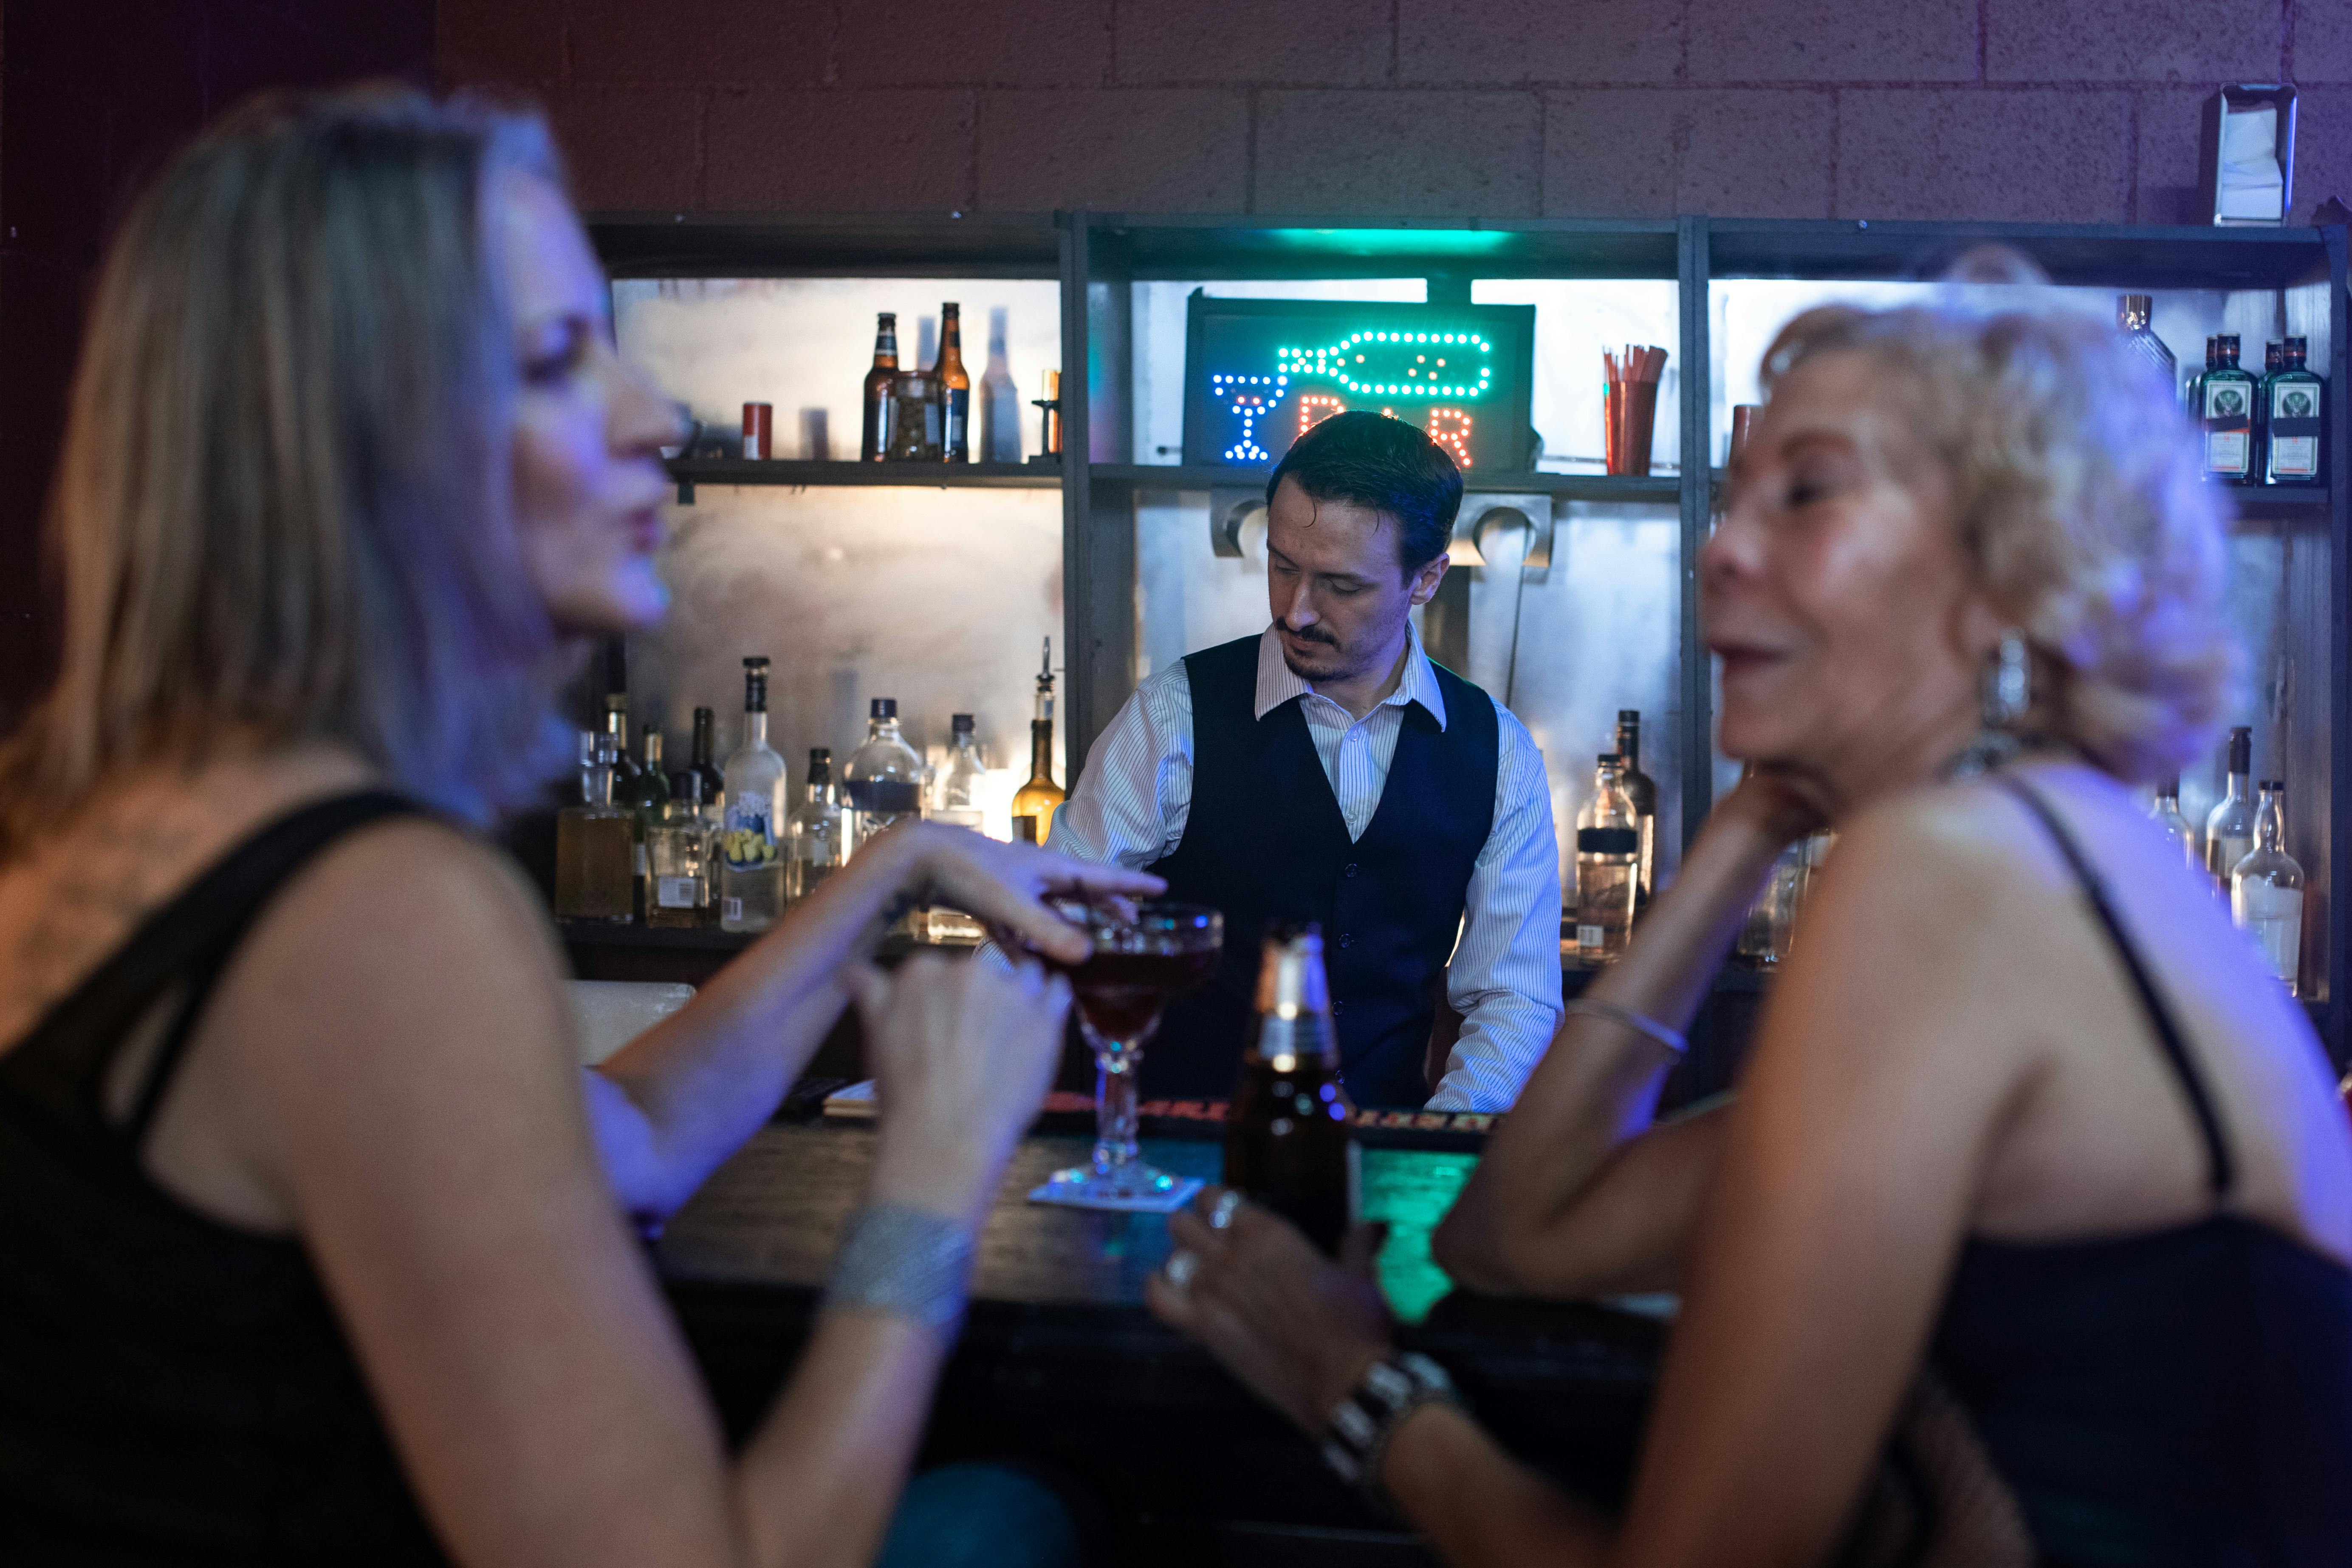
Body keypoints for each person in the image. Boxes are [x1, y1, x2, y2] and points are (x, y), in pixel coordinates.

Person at [0, 88, 1160, 1565]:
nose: (652, 417)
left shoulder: (110, 820)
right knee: (1031, 1508)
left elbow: (644, 1134)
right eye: (556, 360)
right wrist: (932, 1179)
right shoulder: (373, 907)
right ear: (359, 439)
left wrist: (905, 860)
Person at [1146, 288, 2352, 1561]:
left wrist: (1352, 1388)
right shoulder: (2049, 850)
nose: (1722, 547)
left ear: (2004, 567)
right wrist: (1749, 824)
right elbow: (1514, 1233)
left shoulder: (1955, 879)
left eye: (1809, 495)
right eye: (1738, 497)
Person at [1048, 411, 1561, 1110]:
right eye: (1282, 566)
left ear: (1426, 579)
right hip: (1190, 1151)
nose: (1295, 611)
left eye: (1341, 587)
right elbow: (1054, 919)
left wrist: (1431, 1149)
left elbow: (1514, 997)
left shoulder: (1497, 750)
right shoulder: (1173, 716)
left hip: (1380, 1156)